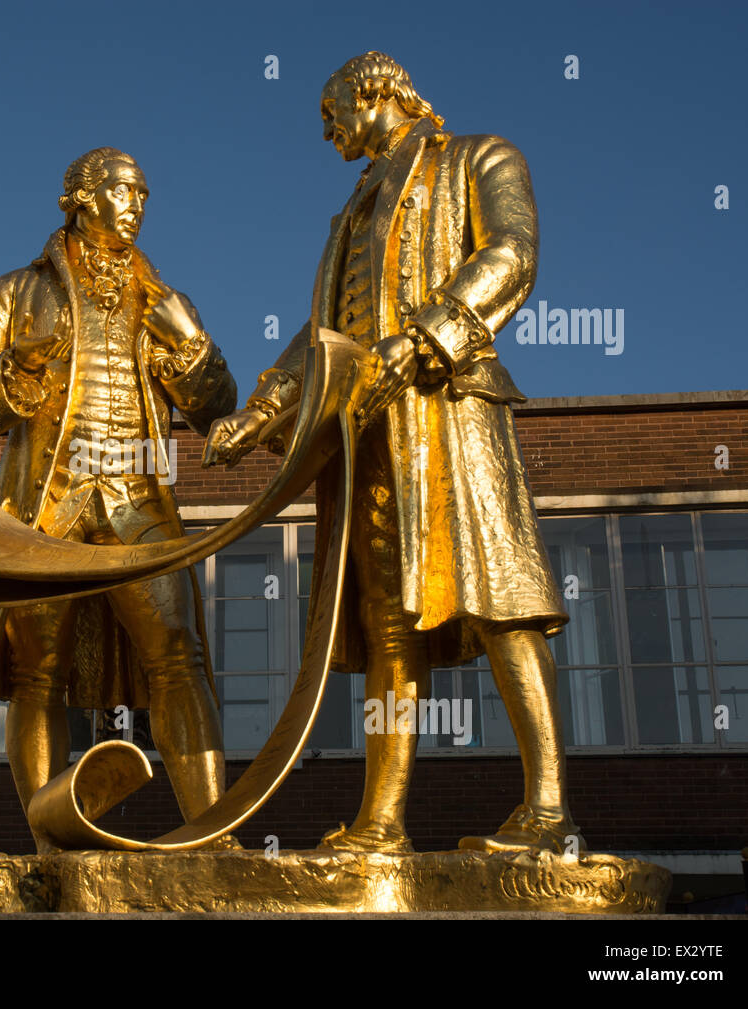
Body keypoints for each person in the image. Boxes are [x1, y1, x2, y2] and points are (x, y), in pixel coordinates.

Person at [203, 52, 584, 855]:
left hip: (449, 407)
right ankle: (381, 822)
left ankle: (548, 810)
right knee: (386, 626)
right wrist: (266, 406)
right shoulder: (348, 217)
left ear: (377, 90)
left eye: (332, 107)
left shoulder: (481, 156)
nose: (328, 127)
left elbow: (512, 254)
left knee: (503, 595)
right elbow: (327, 336)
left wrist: (422, 342)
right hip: (365, 436)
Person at [0, 148, 238, 851]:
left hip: (138, 501)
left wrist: (191, 343)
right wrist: (13, 372)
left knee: (178, 653)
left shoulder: (167, 300)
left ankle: (211, 834)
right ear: (79, 195)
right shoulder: (11, 292)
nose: (136, 203)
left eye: (142, 191)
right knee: (33, 670)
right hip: (48, 505)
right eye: (119, 189)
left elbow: (216, 409)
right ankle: (48, 842)